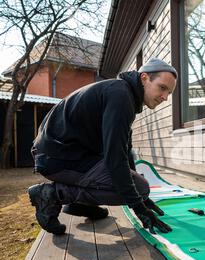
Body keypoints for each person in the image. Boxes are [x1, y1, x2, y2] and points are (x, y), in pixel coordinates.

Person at [28, 58, 177, 235]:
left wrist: (142, 199)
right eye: (162, 88)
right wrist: (139, 206)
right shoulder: (121, 95)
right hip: (57, 158)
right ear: (144, 78)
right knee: (140, 187)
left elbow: (124, 150)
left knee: (138, 188)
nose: (165, 97)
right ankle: (53, 194)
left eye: (169, 92)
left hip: (61, 154)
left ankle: (82, 205)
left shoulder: (121, 92)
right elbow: (115, 158)